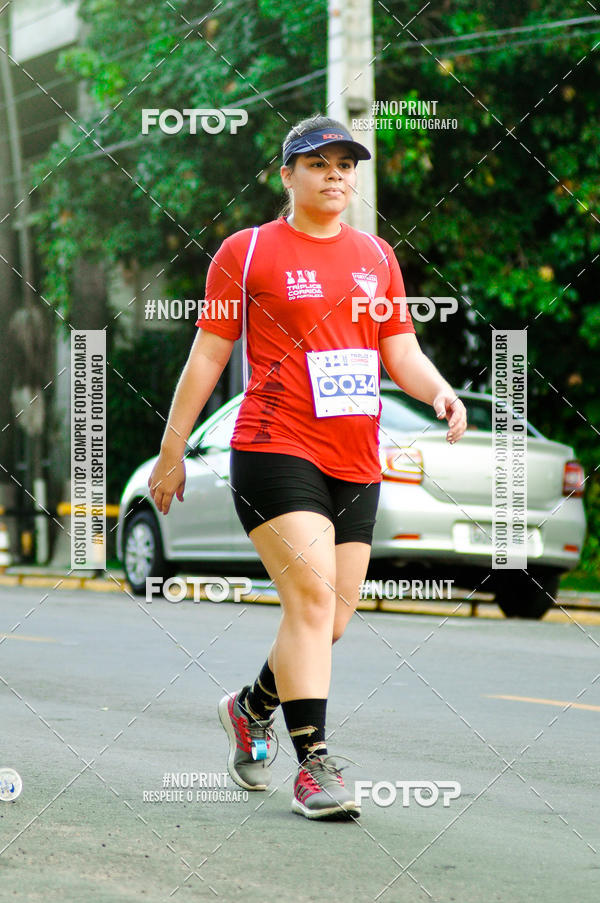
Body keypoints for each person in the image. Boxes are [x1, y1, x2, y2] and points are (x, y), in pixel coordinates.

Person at [148, 114, 467, 821]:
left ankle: (250, 705)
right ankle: (314, 766)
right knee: (314, 599)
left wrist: (439, 388)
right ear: (286, 174)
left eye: (346, 165)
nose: (336, 176)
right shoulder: (248, 249)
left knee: (331, 619)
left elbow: (400, 349)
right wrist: (172, 455)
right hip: (272, 446)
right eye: (318, 164)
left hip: (355, 457)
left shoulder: (378, 256)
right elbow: (206, 356)